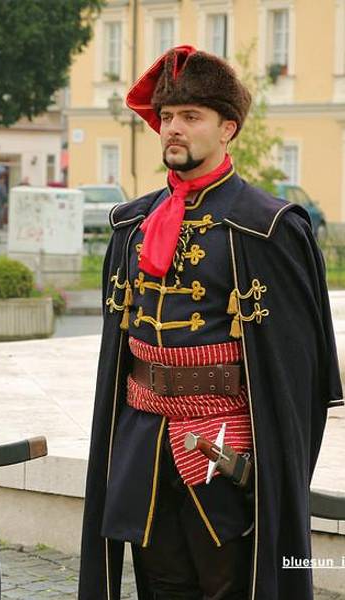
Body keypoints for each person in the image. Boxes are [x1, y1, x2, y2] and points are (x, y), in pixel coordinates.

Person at [78, 45, 342, 600]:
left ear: (228, 128)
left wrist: (271, 463)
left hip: (225, 445)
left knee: (229, 587)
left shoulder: (267, 227)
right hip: (145, 438)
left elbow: (298, 370)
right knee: (160, 586)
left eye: (191, 117)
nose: (173, 128)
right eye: (167, 117)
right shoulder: (132, 224)